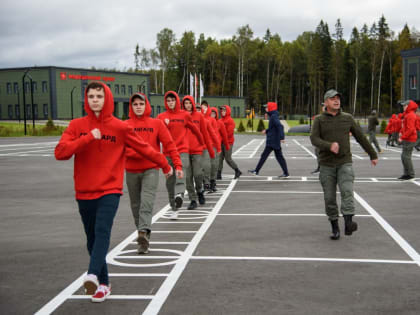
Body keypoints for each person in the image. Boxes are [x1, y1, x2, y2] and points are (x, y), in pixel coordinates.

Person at [55, 82, 172, 302]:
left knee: (102, 231)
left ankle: (91, 275)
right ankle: (105, 284)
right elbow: (60, 153)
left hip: (110, 189)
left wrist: (165, 165)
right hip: (84, 190)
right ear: (87, 99)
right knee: (91, 240)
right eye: (91, 96)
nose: (95, 100)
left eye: (99, 96)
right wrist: (88, 137)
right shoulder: (77, 125)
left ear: (106, 98)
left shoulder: (120, 127)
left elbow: (145, 148)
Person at [310, 89, 378, 240]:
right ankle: (335, 228)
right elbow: (314, 139)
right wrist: (329, 146)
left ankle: (348, 223)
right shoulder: (319, 120)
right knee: (329, 198)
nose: (336, 101)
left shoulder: (347, 118)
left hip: (344, 162)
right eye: (332, 99)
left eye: (338, 98)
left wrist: (373, 154)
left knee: (347, 191)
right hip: (326, 165)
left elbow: (360, 137)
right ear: (326, 102)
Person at [125, 93, 183, 254]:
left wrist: (177, 164)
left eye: (141, 104)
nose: (138, 106)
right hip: (131, 170)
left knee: (146, 202)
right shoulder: (126, 125)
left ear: (146, 105)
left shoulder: (156, 124)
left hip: (151, 169)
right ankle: (143, 238)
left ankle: (143, 231)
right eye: (135, 104)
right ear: (131, 106)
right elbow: (119, 149)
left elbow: (169, 145)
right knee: (135, 205)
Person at [157, 91, 204, 219]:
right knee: (169, 183)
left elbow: (195, 129)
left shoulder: (184, 115)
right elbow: (157, 136)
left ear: (177, 101)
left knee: (181, 171)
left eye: (172, 100)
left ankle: (180, 195)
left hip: (183, 150)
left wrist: (201, 142)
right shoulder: (161, 117)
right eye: (168, 101)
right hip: (167, 153)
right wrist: (164, 126)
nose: (170, 103)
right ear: (166, 102)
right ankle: (174, 208)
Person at [181, 96, 215, 209]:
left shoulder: (199, 116)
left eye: (189, 103)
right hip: (184, 151)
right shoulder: (181, 116)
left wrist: (209, 149)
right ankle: (192, 199)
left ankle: (199, 190)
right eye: (185, 103)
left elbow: (205, 133)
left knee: (197, 174)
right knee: (188, 177)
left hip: (197, 150)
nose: (188, 105)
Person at [248, 102, 289, 178]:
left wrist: (282, 137)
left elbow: (280, 126)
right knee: (277, 157)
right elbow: (273, 128)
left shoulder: (273, 116)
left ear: (271, 108)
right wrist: (266, 131)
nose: (265, 108)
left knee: (267, 156)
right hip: (273, 141)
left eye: (267, 107)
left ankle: (256, 171)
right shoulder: (273, 116)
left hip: (273, 141)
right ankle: (286, 173)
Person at [200, 101, 222, 192]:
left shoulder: (212, 120)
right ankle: (206, 182)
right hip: (202, 146)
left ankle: (212, 181)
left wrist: (217, 146)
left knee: (213, 165)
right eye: (202, 107)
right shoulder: (199, 118)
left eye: (205, 107)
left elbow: (215, 133)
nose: (204, 109)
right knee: (205, 166)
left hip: (212, 145)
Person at [218, 105, 242, 179]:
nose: (222, 112)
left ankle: (237, 170)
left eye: (224, 110)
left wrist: (221, 137)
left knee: (228, 158)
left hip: (228, 142)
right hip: (221, 142)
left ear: (228, 111)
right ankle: (218, 174)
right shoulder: (220, 120)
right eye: (222, 110)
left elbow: (229, 133)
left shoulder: (230, 121)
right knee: (220, 158)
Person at [210, 107, 230, 189]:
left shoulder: (220, 123)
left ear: (216, 114)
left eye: (214, 114)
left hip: (216, 146)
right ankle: (206, 181)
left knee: (215, 165)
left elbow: (224, 135)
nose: (212, 115)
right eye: (211, 113)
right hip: (208, 147)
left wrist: (226, 145)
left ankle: (213, 181)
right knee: (207, 166)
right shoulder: (206, 121)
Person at [398, 100, 418, 180]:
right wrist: (401, 132)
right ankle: (406, 173)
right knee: (404, 156)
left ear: (409, 106)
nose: (403, 107)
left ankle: (410, 174)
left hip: (410, 139)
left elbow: (410, 129)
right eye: (403, 106)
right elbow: (405, 127)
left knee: (406, 157)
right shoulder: (408, 115)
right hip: (407, 138)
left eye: (404, 106)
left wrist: (401, 137)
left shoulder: (410, 115)